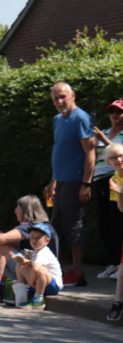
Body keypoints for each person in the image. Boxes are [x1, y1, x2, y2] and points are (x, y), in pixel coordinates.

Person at [45, 82, 95, 287]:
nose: (59, 101)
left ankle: (78, 273)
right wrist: (53, 181)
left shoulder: (81, 118)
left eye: (63, 97)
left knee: (73, 227)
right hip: (61, 181)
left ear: (72, 95)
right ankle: (59, 271)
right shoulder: (57, 120)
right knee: (55, 228)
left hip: (75, 181)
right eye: (56, 98)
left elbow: (90, 153)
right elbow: (60, 151)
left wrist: (86, 183)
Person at [0, 195, 56, 302]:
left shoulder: (29, 227)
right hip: (48, 275)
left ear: (26, 210)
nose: (15, 211)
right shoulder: (42, 226)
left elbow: (1, 240)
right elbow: (10, 242)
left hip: (40, 276)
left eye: (18, 208)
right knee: (3, 247)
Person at [93, 100, 123, 279]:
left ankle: (120, 264)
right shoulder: (102, 131)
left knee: (117, 219)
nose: (114, 115)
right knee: (104, 221)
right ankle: (113, 263)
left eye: (118, 112)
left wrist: (103, 140)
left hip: (116, 177)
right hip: (99, 179)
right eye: (112, 111)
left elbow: (118, 154)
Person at [12, 222, 63, 312]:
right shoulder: (36, 251)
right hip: (42, 283)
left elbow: (36, 268)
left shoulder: (44, 252)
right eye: (32, 237)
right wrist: (23, 261)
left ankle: (38, 300)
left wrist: (30, 283)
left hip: (53, 286)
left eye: (38, 238)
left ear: (46, 241)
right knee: (20, 266)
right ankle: (21, 298)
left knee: (41, 270)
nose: (34, 240)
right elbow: (32, 263)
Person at [104, 143, 123, 323]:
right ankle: (118, 303)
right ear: (108, 162)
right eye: (113, 157)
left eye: (121, 155)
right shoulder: (114, 180)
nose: (118, 160)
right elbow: (121, 208)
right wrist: (120, 193)